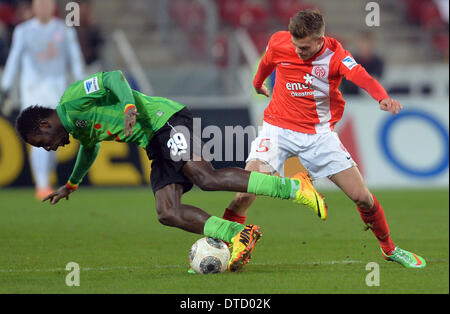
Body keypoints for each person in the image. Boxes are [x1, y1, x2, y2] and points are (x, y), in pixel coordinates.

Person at [15, 70, 327, 272]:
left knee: (205, 177)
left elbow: (113, 77)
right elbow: (90, 146)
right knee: (167, 211)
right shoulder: (77, 128)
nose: (49, 148)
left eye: (42, 142)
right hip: (153, 143)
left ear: (44, 124)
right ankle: (239, 234)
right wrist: (72, 184)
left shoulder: (72, 99)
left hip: (165, 119)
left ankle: (296, 188)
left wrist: (129, 108)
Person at [223, 9, 426, 268]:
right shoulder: (279, 41)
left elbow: (362, 76)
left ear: (320, 40)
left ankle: (390, 248)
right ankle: (225, 245)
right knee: (244, 193)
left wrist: (382, 97)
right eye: (296, 46)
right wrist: (257, 83)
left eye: (305, 47)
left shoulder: (336, 55)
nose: (299, 52)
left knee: (362, 197)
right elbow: (266, 62)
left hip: (318, 136)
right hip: (277, 129)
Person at [0, 0, 85, 199]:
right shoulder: (23, 31)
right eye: (40, 4)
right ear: (34, 8)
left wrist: (83, 88)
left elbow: (75, 60)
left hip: (57, 92)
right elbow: (14, 60)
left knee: (54, 140)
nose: (44, 7)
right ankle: (42, 184)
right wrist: (6, 87)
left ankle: (46, 178)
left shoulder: (65, 31)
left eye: (47, 4)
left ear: (52, 7)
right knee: (38, 135)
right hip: (32, 91)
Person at [341, 30, 384, 95]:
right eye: (362, 42)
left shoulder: (378, 62)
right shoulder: (349, 60)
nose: (364, 46)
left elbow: (378, 79)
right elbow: (347, 84)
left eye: (367, 43)